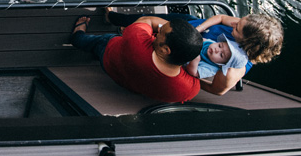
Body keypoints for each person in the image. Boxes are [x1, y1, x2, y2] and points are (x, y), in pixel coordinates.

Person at [106, 10, 284, 96]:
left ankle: (124, 32)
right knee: (149, 19)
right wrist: (197, 29)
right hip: (190, 26)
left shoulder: (234, 67)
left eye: (238, 28)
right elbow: (221, 18)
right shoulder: (244, 27)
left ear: (246, 42)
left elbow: (217, 90)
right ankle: (115, 18)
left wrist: (188, 74)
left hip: (180, 50)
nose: (234, 23)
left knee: (149, 36)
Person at [71, 15, 203, 103]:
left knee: (92, 42)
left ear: (165, 50)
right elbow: (218, 89)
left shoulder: (137, 40)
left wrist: (166, 28)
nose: (157, 32)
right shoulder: (187, 90)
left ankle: (77, 36)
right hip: (125, 82)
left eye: (161, 33)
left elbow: (147, 20)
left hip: (108, 54)